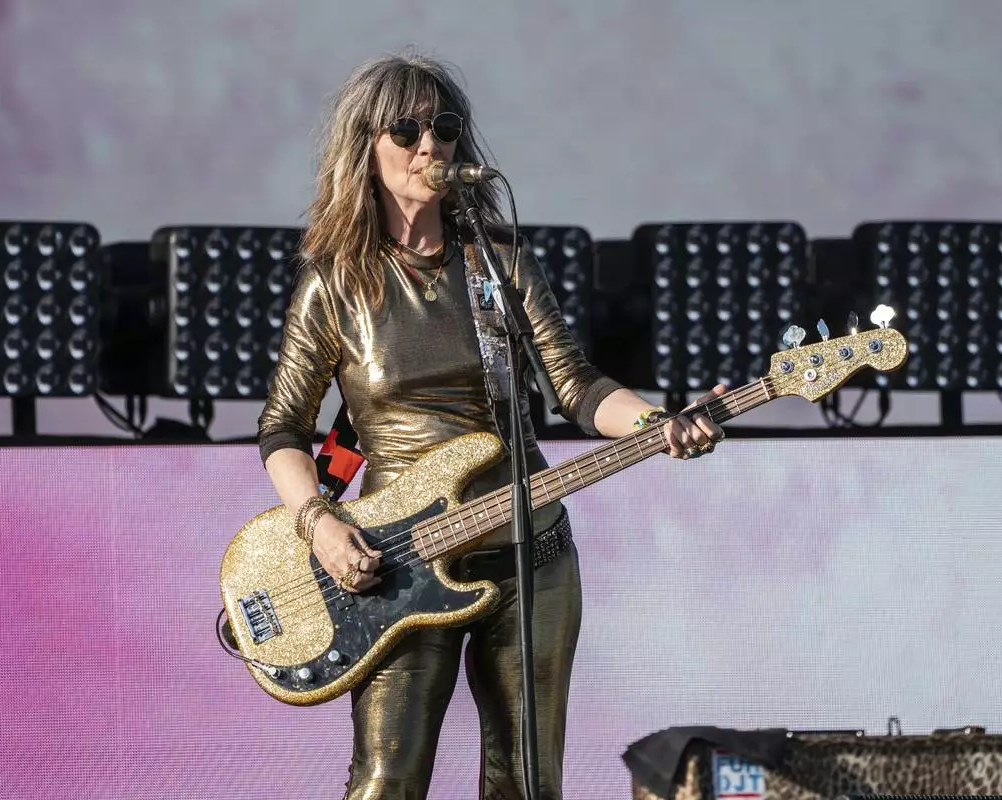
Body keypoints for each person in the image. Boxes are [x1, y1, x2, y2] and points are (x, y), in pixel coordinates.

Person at [257, 52, 726, 800]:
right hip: (400, 562)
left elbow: (576, 387)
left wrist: (657, 422)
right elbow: (283, 428)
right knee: (386, 780)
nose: (428, 145)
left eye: (444, 127)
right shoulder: (335, 281)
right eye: (405, 128)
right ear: (365, 148)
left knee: (525, 783)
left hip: (529, 556)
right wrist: (317, 521)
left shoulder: (498, 263)